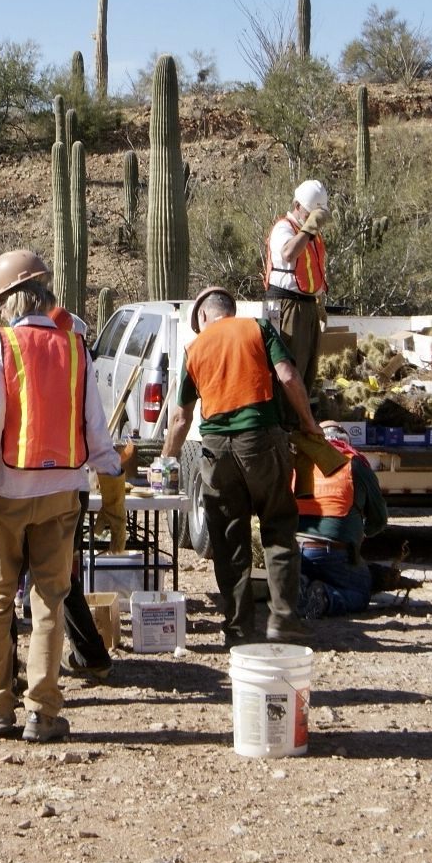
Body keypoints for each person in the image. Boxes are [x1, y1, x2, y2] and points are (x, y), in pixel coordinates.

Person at [0, 250, 120, 743]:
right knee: (50, 600)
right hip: (61, 497)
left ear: (8, 299)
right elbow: (97, 430)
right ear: (45, 292)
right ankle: (44, 711)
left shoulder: (0, 346)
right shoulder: (77, 348)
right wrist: (112, 491)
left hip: (3, 492)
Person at [0, 343, 117, 682]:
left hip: (15, 497)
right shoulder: (23, 382)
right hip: (64, 488)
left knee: (5, 588)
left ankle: (7, 678)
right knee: (56, 583)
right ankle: (80, 663)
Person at [158, 286, 324, 648]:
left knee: (229, 538)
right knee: (278, 526)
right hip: (260, 442)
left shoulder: (195, 348)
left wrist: (166, 461)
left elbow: (180, 418)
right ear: (229, 310)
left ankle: (237, 627)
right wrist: (309, 422)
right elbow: (289, 376)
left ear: (203, 317)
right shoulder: (259, 328)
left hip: (216, 451)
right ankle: (283, 619)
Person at [295, 421, 391, 618]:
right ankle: (326, 598)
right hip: (335, 552)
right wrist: (362, 533)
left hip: (294, 551)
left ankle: (301, 583)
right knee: (359, 593)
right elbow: (379, 519)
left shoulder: (298, 461)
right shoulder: (355, 465)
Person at [264, 180, 330, 393]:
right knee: (290, 372)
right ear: (297, 206)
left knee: (308, 372)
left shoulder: (310, 235)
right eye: (310, 213)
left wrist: (319, 302)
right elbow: (288, 253)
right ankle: (286, 423)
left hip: (308, 306)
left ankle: (300, 422)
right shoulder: (285, 227)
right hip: (287, 307)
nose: (312, 220)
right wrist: (309, 229)